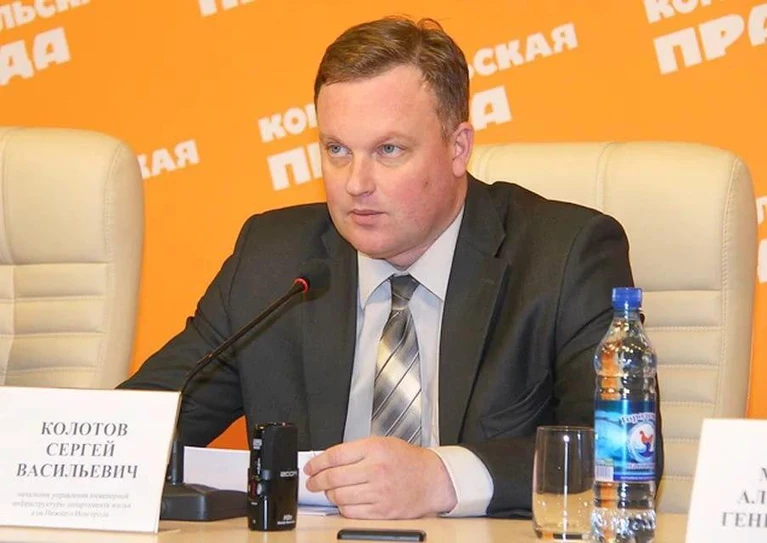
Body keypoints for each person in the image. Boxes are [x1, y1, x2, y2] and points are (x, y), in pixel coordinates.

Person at [119, 16, 662, 520]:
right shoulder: (272, 259)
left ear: (458, 148)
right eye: (336, 149)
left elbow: (623, 455)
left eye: (389, 151)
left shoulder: (563, 255)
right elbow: (131, 428)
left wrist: (442, 478)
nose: (355, 183)